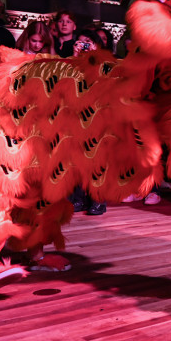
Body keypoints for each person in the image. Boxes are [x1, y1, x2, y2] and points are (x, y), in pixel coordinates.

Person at [68, 26, 109, 216]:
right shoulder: (72, 62)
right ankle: (78, 198)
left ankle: (98, 200)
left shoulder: (104, 63)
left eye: (88, 43)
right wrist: (76, 56)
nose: (83, 46)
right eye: (80, 42)